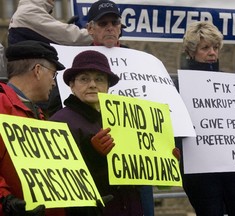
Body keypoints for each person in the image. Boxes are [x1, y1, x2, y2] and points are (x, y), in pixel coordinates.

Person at [175, 21, 235, 216]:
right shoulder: (178, 88)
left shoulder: (233, 87)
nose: (212, 52)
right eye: (205, 48)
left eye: (215, 47)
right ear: (191, 52)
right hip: (200, 171)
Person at [50, 50, 144, 215]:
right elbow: (59, 181)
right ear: (72, 85)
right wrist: (93, 155)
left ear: (108, 86)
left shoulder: (123, 120)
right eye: (84, 79)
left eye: (99, 79)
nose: (92, 84)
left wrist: (162, 156)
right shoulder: (60, 122)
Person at [86, 1, 155, 215]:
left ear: (120, 27)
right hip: (99, 158)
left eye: (114, 22)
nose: (110, 27)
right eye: (103, 23)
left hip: (136, 159)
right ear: (90, 29)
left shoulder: (141, 62)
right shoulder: (77, 59)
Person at [0, 40, 66, 216]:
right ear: (38, 70)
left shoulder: (39, 114)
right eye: (53, 75)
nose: (53, 83)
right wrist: (5, 202)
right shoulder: (2, 107)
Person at [8, 0, 92, 46]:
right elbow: (68, 36)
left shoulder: (27, 10)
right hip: (32, 73)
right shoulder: (29, 12)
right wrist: (95, 33)